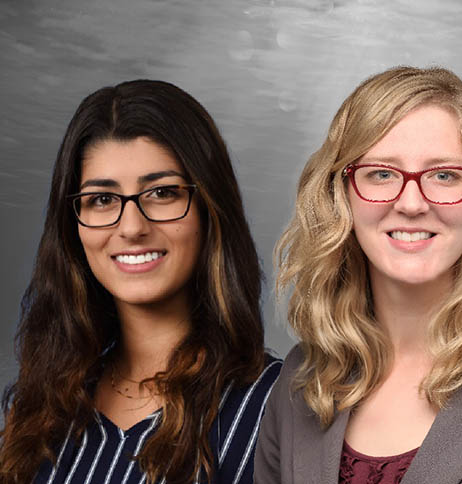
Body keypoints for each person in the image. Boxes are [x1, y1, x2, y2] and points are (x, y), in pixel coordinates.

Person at [255, 66, 462, 483]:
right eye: (381, 174)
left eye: (444, 175)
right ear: (341, 195)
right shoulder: (301, 379)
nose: (411, 203)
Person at [0, 80, 282, 484]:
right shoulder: (44, 407)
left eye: (162, 193)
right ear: (72, 226)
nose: (131, 227)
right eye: (102, 199)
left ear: (209, 209)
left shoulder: (275, 406)